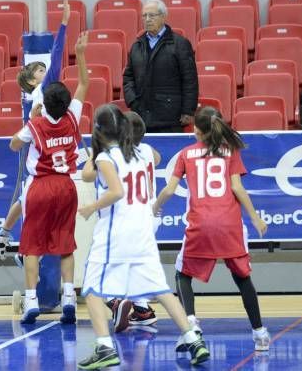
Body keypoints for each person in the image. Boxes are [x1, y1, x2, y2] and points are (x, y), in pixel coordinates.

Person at [77, 104, 209, 369]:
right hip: (144, 229)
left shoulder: (107, 157)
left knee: (91, 289)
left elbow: (107, 186)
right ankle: (192, 337)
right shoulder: (140, 153)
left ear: (100, 131)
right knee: (160, 289)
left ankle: (104, 346)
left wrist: (91, 207)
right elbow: (89, 173)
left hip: (117, 231)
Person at [153, 106, 271, 353]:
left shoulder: (186, 154)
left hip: (201, 223)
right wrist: (255, 217)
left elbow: (170, 190)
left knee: (181, 275)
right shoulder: (230, 151)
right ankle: (260, 334)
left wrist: (155, 207)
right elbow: (237, 188)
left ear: (197, 129)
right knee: (243, 278)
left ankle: (192, 326)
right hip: (230, 224)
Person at [7, 32, 90, 325]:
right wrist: (80, 55)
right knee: (65, 243)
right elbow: (84, 83)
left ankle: (31, 301)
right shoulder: (72, 117)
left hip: (40, 186)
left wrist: (30, 123)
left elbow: (14, 145)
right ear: (66, 103)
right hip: (66, 186)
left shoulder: (36, 123)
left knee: (31, 246)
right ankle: (69, 296)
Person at [0, 0, 70, 260]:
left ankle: (4, 233)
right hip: (43, 148)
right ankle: (16, 241)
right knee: (34, 198)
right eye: (40, 69)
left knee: (29, 197)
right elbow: (57, 53)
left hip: (39, 145)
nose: (46, 71)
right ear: (32, 78)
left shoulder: (35, 96)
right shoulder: (42, 91)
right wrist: (64, 24)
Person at [104, 111, 162, 333]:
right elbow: (157, 158)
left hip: (131, 215)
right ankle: (142, 310)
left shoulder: (118, 155)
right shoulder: (147, 150)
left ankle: (115, 302)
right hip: (151, 215)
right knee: (136, 265)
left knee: (107, 263)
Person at [122, 0, 198, 133]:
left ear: (163, 17)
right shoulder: (137, 46)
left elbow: (190, 79)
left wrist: (188, 110)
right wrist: (133, 101)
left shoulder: (180, 44)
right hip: (142, 117)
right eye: (144, 16)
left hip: (170, 118)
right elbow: (128, 77)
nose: (147, 19)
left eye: (152, 15)